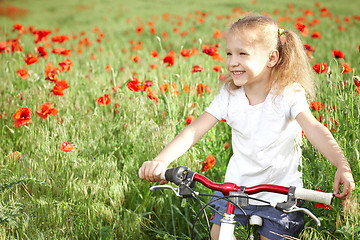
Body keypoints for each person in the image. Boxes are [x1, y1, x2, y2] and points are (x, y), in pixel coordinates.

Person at [139, 15, 355, 240]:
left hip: (280, 195)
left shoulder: (288, 94)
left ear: (271, 58)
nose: (232, 61)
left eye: (242, 53)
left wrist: (342, 165)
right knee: (219, 233)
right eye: (229, 53)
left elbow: (314, 129)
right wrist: (162, 161)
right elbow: (192, 132)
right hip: (236, 191)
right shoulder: (229, 96)